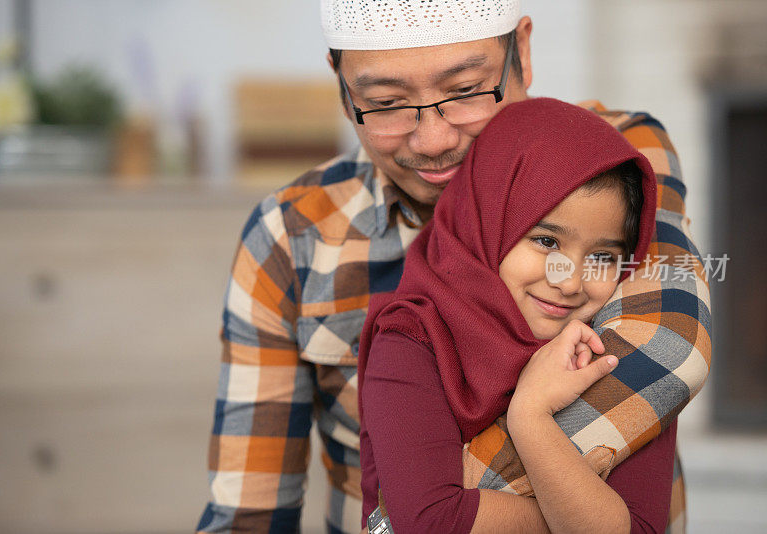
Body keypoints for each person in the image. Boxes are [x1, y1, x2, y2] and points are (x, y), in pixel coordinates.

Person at [197, 2, 711, 533]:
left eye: (466, 90)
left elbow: (669, 345)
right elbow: (249, 513)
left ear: (522, 52)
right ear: (343, 88)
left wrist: (410, 518)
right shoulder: (293, 238)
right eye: (385, 103)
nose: (434, 141)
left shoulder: (615, 158)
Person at [358, 97, 675, 533]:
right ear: (487, 224)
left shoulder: (619, 351)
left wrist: (531, 419)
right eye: (546, 242)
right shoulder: (412, 340)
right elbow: (429, 523)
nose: (569, 281)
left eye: (602, 255)